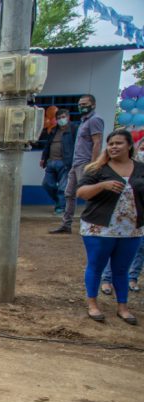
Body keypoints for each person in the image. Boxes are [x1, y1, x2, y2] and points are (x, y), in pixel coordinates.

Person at [75, 129, 144, 325]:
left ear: (129, 146)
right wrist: (101, 186)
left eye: (118, 143)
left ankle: (123, 307)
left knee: (121, 269)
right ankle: (92, 304)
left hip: (131, 229)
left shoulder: (140, 169)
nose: (113, 147)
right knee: (96, 266)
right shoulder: (97, 169)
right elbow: (81, 192)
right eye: (111, 143)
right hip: (99, 228)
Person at [50, 94, 104, 234]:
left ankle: (92, 226)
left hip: (85, 163)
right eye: (80, 104)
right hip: (76, 163)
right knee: (69, 194)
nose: (81, 107)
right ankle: (66, 224)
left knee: (88, 194)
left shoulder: (95, 120)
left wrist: (93, 165)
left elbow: (97, 142)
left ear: (93, 105)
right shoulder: (83, 122)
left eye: (85, 104)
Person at [39, 109, 77, 215]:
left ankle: (60, 207)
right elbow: (47, 145)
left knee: (62, 187)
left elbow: (78, 146)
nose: (61, 120)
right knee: (47, 184)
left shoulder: (74, 129)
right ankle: (60, 201)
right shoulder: (54, 130)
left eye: (63, 117)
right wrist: (43, 158)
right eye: (59, 118)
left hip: (65, 162)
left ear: (68, 117)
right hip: (51, 162)